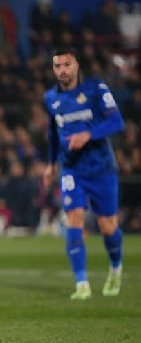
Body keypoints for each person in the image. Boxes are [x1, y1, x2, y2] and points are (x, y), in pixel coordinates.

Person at [43, 47, 125, 299]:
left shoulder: (96, 89)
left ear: (76, 66)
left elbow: (116, 122)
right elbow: (53, 133)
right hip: (72, 169)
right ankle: (82, 284)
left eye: (66, 65)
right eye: (57, 66)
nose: (62, 70)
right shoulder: (51, 98)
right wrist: (51, 164)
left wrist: (88, 135)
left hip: (101, 168)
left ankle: (115, 267)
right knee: (74, 218)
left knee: (108, 227)